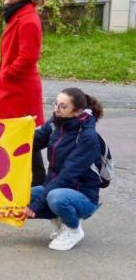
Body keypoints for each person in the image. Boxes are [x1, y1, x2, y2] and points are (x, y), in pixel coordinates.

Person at [25, 88, 104, 251]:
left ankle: (73, 229)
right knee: (22, 196)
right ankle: (61, 222)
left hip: (83, 196)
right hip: (58, 187)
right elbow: (32, 143)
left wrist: (37, 206)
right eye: (55, 103)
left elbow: (66, 177)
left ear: (77, 112)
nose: (56, 109)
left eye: (63, 106)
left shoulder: (88, 137)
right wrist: (23, 128)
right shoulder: (56, 124)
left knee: (56, 197)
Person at [0, 0, 46, 186]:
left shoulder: (28, 19)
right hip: (13, 86)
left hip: (19, 89)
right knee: (19, 135)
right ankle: (28, 180)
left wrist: (8, 73)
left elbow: (29, 56)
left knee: (22, 135)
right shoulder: (18, 15)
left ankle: (37, 181)